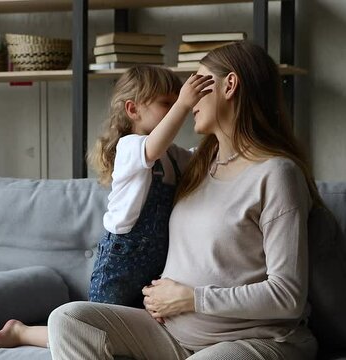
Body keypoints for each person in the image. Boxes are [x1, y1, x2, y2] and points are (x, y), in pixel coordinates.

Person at [45, 41, 323, 360]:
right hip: (173, 335)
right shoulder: (194, 165)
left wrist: (190, 299)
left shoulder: (276, 174)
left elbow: (288, 297)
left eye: (197, 84)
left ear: (229, 85)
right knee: (69, 320)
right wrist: (158, 294)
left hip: (255, 339)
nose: (187, 102)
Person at [0, 65, 213, 350]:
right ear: (133, 109)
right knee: (91, 332)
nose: (177, 108)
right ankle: (21, 332)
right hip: (120, 261)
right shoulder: (132, 148)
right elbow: (151, 148)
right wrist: (184, 103)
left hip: (154, 265)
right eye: (167, 102)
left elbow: (200, 159)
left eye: (176, 101)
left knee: (132, 336)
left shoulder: (173, 156)